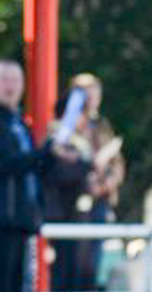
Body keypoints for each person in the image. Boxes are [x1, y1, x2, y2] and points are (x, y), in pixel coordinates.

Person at [0, 60, 54, 292]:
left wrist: (52, 156)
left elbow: (32, 168)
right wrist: (44, 153)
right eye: (4, 79)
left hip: (19, 222)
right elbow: (4, 161)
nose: (11, 86)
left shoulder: (17, 122)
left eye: (16, 80)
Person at [71, 72, 125, 287]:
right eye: (87, 95)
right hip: (78, 204)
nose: (92, 100)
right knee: (78, 264)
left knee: (96, 263)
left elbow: (117, 164)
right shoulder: (71, 126)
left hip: (101, 201)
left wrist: (107, 183)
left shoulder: (102, 124)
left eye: (95, 94)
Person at [43, 90, 96, 292]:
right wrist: (87, 166)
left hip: (79, 217)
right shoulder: (57, 141)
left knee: (81, 275)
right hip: (63, 216)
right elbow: (63, 175)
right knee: (65, 275)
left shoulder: (77, 143)